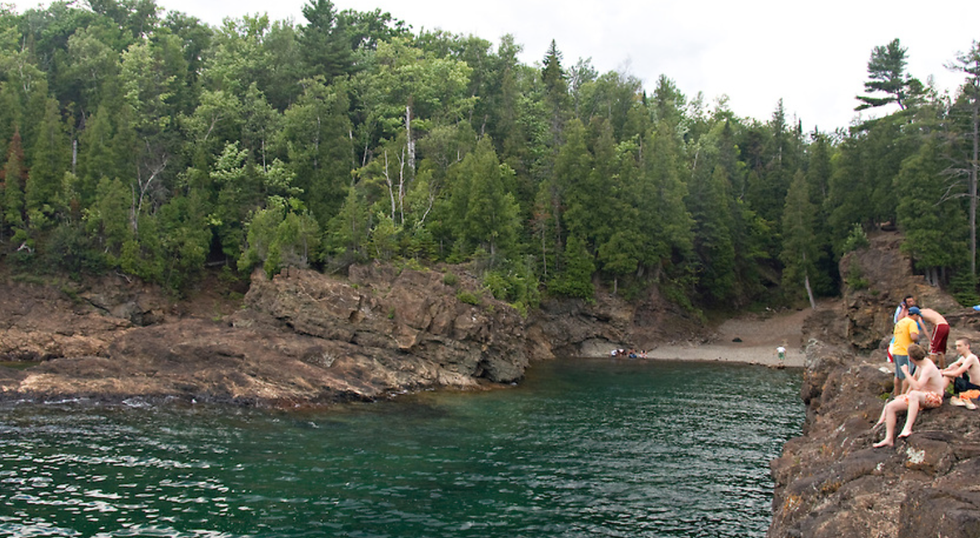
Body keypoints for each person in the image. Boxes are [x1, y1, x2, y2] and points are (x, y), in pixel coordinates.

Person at [873, 343, 944, 448]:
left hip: (935, 397)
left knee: (914, 394)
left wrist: (906, 373)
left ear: (910, 358)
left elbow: (917, 386)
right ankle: (888, 438)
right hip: (921, 396)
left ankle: (907, 428)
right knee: (891, 406)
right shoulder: (920, 365)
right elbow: (914, 379)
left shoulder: (927, 367)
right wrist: (904, 396)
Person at [891, 306, 922, 395]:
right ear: (915, 315)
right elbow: (913, 337)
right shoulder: (912, 322)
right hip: (905, 352)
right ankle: (904, 395)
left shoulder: (899, 322)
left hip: (896, 350)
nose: (918, 318)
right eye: (918, 316)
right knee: (907, 375)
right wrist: (917, 340)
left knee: (897, 375)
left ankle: (896, 395)